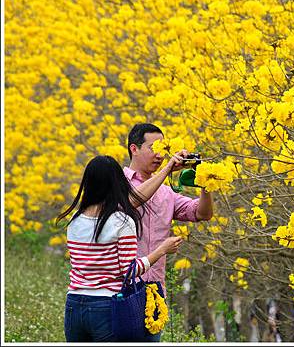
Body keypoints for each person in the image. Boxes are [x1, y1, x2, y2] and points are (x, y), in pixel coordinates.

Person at [56, 153, 186, 342]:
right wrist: (161, 250)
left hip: (74, 304)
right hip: (106, 305)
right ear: (116, 183)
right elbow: (129, 270)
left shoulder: (75, 220)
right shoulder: (121, 221)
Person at [125, 123, 214, 336]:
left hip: (155, 288)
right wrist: (167, 170)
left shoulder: (167, 193)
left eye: (162, 150)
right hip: (123, 287)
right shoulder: (119, 183)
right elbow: (132, 200)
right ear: (134, 149)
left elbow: (202, 213)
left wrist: (205, 180)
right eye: (152, 148)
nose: (159, 155)